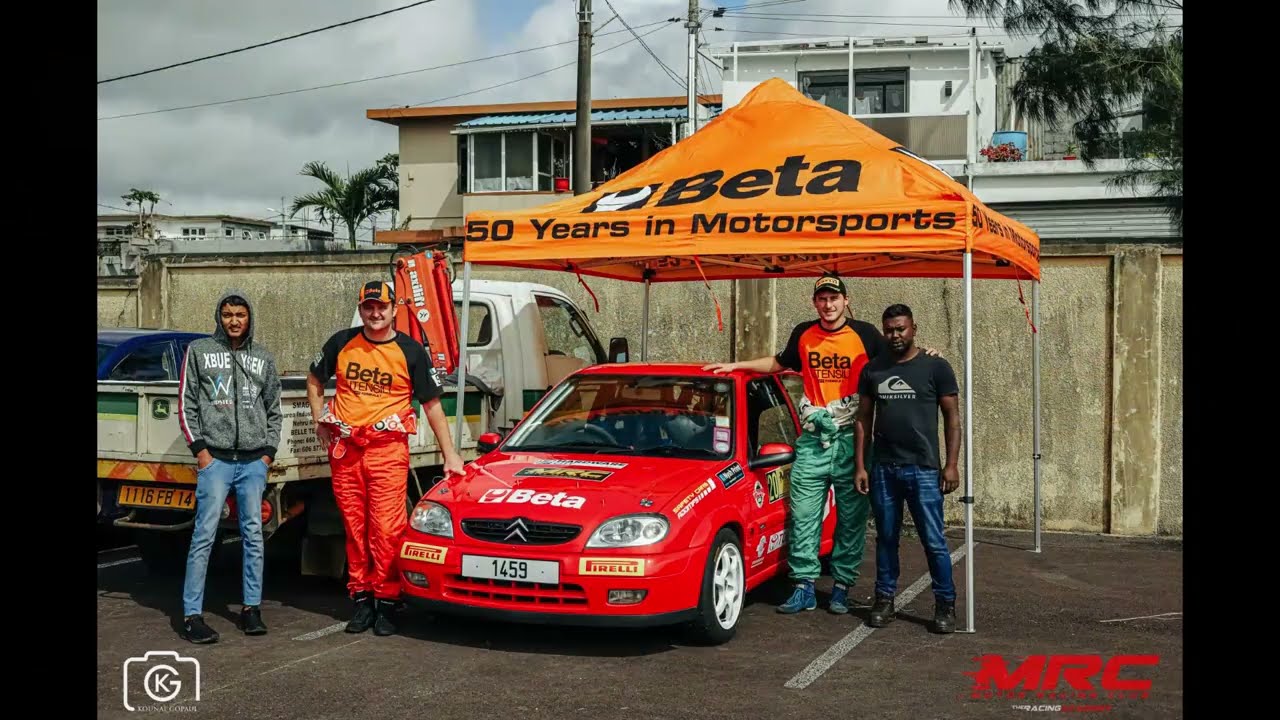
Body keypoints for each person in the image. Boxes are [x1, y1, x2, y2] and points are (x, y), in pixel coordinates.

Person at [704, 273, 937, 614]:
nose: (828, 305)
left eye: (834, 298)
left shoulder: (866, 334)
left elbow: (899, 356)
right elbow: (780, 363)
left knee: (851, 518)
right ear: (815, 302)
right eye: (822, 299)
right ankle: (804, 587)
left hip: (850, 439)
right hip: (813, 438)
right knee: (803, 514)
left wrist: (927, 354)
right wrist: (738, 364)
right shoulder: (804, 333)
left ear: (846, 301)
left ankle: (842, 586)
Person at [307, 280, 466, 637]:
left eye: (382, 307)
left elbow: (432, 405)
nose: (375, 313)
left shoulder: (410, 351)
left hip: (387, 452)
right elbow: (315, 379)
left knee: (387, 531)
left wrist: (450, 454)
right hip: (346, 452)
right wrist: (320, 421)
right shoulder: (342, 342)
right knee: (354, 528)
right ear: (361, 309)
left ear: (395, 309)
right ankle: (361, 600)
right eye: (369, 307)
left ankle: (387, 604)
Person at [178, 290, 283, 644]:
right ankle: (192, 614)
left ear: (249, 317)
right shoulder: (200, 352)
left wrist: (268, 452)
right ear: (219, 317)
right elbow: (187, 403)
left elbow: (274, 408)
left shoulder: (263, 359)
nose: (234, 320)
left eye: (240, 314)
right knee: (204, 537)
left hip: (253, 461)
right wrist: (201, 452)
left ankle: (251, 608)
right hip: (216, 461)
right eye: (227, 315)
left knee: (253, 536)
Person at [854, 303, 962, 634]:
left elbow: (952, 418)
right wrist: (861, 465)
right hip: (884, 469)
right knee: (886, 538)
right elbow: (863, 419)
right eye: (889, 330)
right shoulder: (874, 369)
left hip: (924, 470)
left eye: (900, 329)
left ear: (913, 328)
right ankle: (884, 600)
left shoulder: (936, 367)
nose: (895, 335)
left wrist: (952, 465)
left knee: (933, 540)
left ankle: (945, 604)